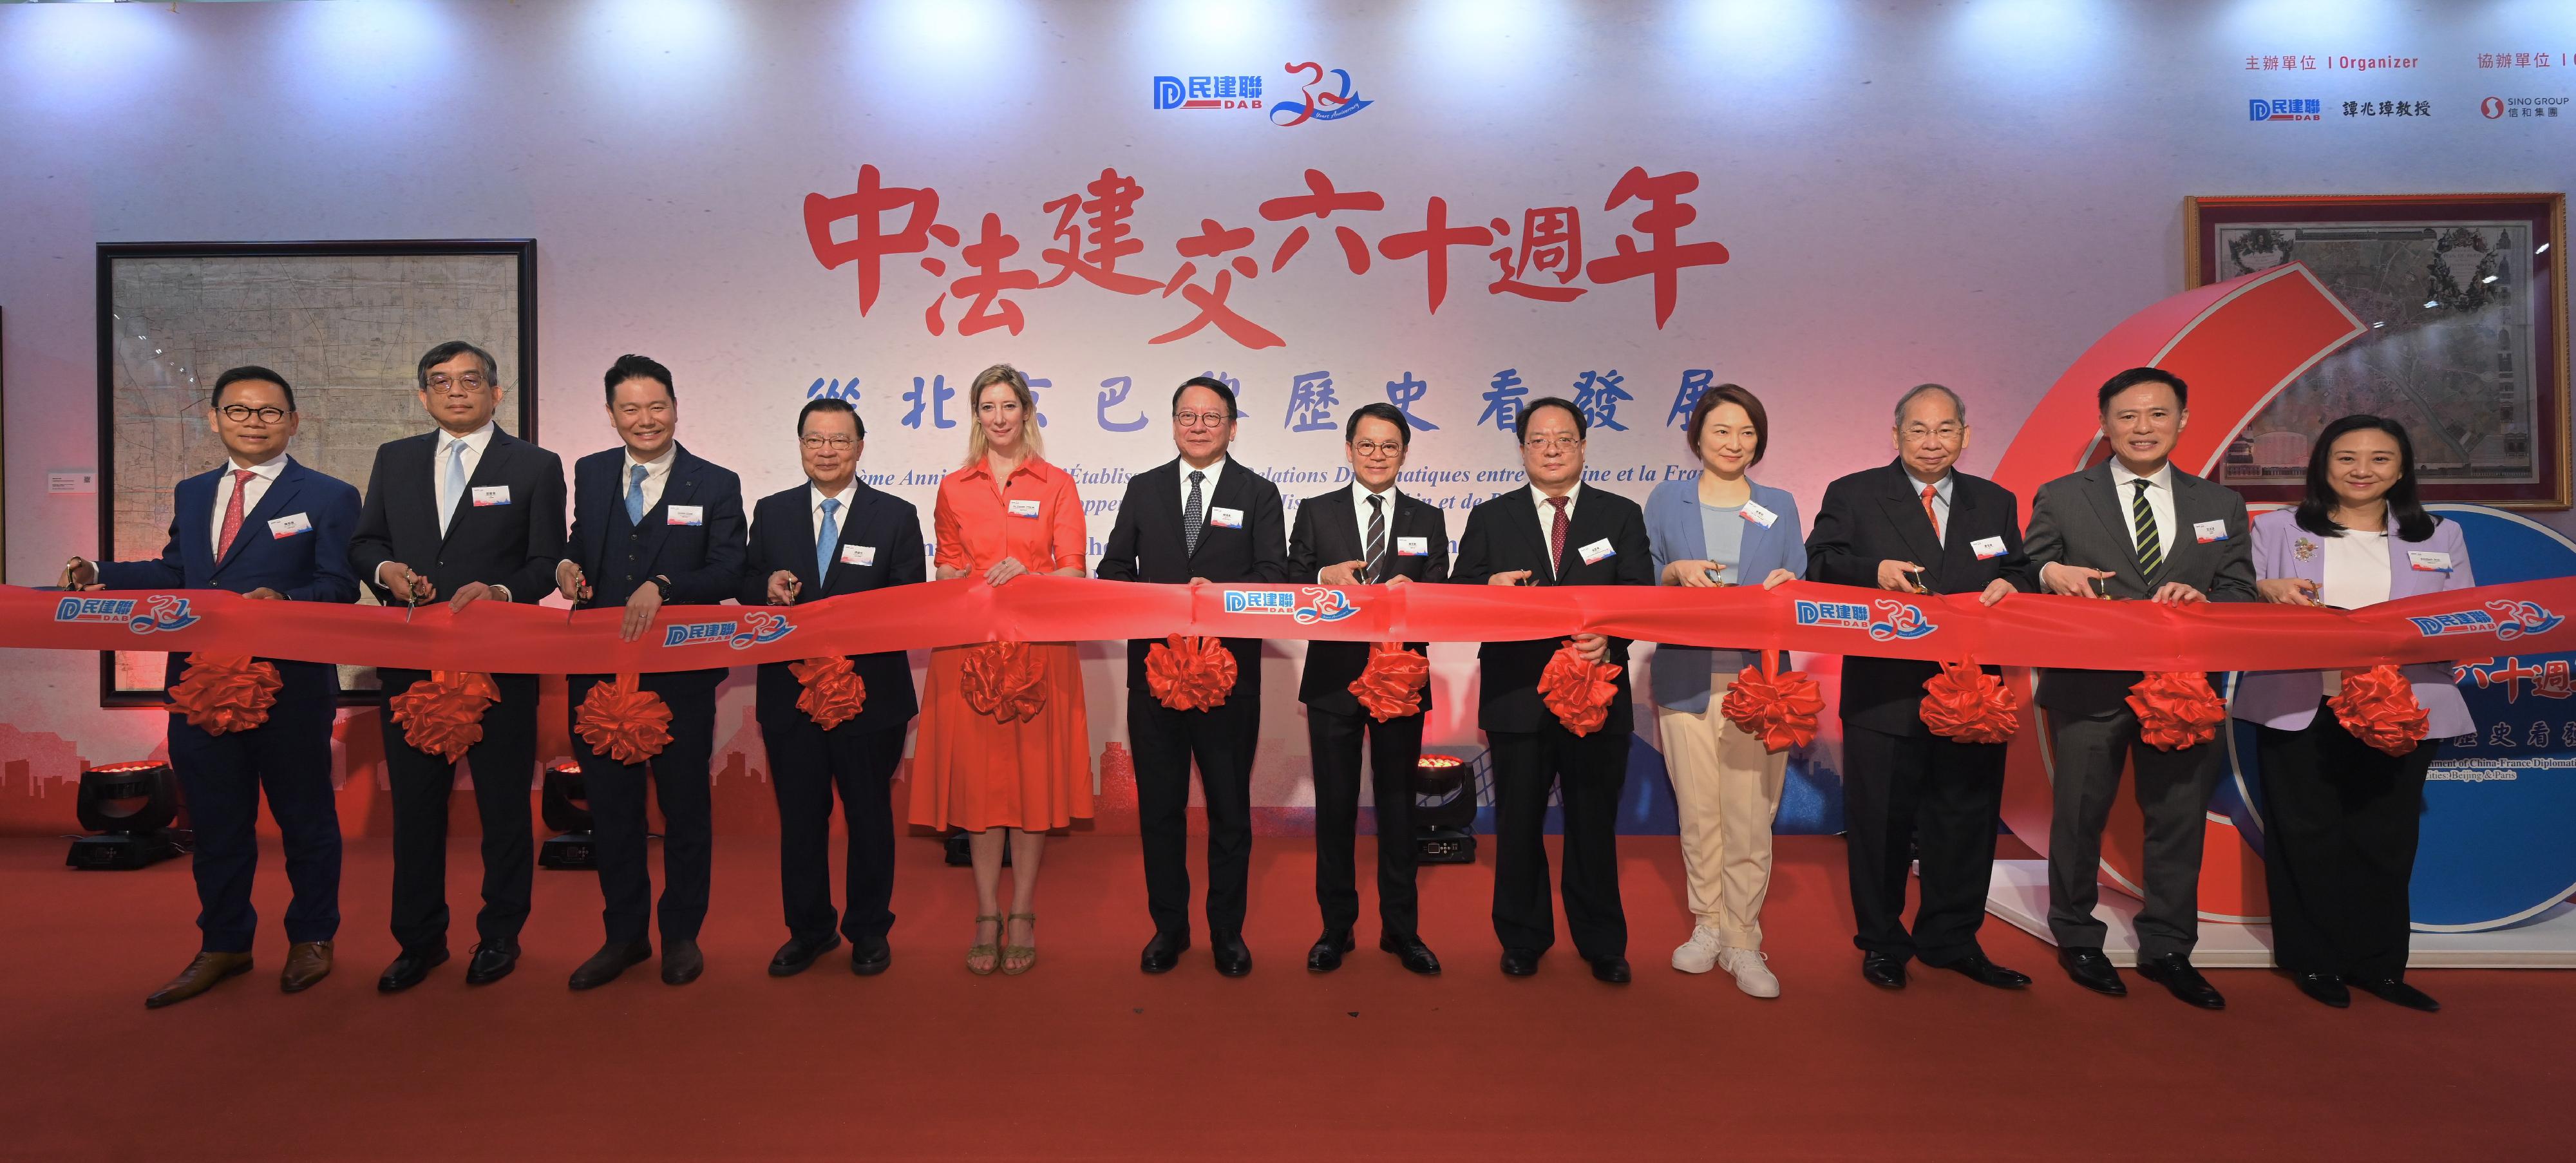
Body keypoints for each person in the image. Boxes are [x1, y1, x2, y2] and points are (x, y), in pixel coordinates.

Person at [62, 367, 360, 1007]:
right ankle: (223, 942)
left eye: (269, 412)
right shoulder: (194, 492)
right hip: (199, 683)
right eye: (239, 410)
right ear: (216, 418)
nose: (254, 422)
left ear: (294, 420)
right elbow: (177, 569)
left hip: (288, 684)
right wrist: (102, 573)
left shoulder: (330, 496)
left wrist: (282, 599)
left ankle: (313, 937)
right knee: (219, 824)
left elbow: (340, 587)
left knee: (304, 819)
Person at [2023, 366, 2255, 1008]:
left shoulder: (2220, 505)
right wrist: (2051, 570)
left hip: (2183, 690)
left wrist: (2203, 599)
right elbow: (2025, 568)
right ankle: (2076, 935)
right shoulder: (2064, 495)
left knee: (2177, 821)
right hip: (2088, 687)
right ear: (2103, 426)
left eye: (2157, 414)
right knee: (2077, 817)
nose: (2142, 427)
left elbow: (2240, 589)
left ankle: (2169, 948)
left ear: (2182, 421)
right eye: (2126, 416)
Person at [2232, 414, 2472, 1013]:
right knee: (2305, 835)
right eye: (2347, 458)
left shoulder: (2441, 535)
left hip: (2402, 709)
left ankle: (2381, 966)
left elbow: (2464, 620)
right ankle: (2314, 961)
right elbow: (2237, 603)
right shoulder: (2278, 529)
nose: (2362, 470)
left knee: (2386, 838)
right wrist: (2266, 592)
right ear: (2323, 465)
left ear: (2403, 467)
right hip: (2301, 704)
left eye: (2380, 458)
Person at [350, 341, 565, 992]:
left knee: (504, 809)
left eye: (471, 381)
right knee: (417, 810)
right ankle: (419, 941)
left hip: (499, 664)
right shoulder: (396, 459)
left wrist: (500, 594)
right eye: (440, 382)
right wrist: (386, 572)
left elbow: (546, 560)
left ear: (496, 393)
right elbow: (365, 543)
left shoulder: (534, 466)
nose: (456, 391)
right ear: (423, 396)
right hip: (414, 665)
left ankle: (499, 935)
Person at [1804, 383, 2034, 993]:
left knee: (1966, 819)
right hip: (1886, 693)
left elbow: (2017, 567)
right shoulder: (1853, 494)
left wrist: (2015, 585)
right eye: (1918, 431)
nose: (1932, 443)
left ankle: (1952, 938)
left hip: (1973, 691)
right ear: (1896, 434)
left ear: (1964, 433)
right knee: (1880, 824)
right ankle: (1881, 942)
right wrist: (1871, 572)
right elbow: (1819, 565)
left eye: (1944, 430)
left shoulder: (1996, 501)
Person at [553, 355, 746, 990]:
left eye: (656, 406)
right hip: (601, 672)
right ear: (611, 415)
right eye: (630, 408)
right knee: (612, 809)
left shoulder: (714, 483)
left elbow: (729, 571)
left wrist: (663, 583)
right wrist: (568, 571)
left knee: (684, 807)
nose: (646, 420)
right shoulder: (593, 471)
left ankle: (682, 935)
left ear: (675, 407)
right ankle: (624, 935)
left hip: (680, 676)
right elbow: (583, 546)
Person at [1450, 396, 1654, 982]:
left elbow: (1640, 596)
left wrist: (1609, 644)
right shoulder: (1492, 516)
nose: (1552, 449)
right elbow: (1459, 596)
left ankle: (1602, 943)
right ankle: (1522, 937)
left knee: (1593, 824)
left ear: (1584, 447)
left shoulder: (1620, 515)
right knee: (1517, 825)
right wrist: (1489, 586)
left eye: (1565, 438)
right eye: (1539, 440)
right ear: (1521, 451)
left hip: (1597, 695)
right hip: (1518, 696)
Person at [1097, 375, 1289, 976]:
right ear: (1174, 423)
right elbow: (1110, 569)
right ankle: (1169, 929)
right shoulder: (1144, 489)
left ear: (1233, 427)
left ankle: (1227, 933)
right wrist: (1157, 598)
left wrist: (1219, 597)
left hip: (1228, 681)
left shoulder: (1258, 494)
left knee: (1230, 811)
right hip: (1155, 678)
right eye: (1187, 415)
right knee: (1161, 809)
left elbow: (1274, 578)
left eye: (1212, 417)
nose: (1199, 426)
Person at [907, 364, 1093, 976]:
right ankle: (986, 912)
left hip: (1040, 655)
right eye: (987, 407)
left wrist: (1031, 578)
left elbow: (1074, 572)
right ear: (977, 415)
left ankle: (1024, 912)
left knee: (1030, 784)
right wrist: (977, 583)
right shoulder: (954, 486)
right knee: (985, 787)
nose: (999, 417)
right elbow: (946, 570)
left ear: (1027, 412)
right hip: (971, 652)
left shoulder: (1059, 484)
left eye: (1008, 405)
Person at [744, 398, 924, 977]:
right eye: (814, 440)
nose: (826, 451)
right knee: (801, 819)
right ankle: (809, 929)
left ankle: (869, 929)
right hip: (790, 697)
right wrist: (764, 583)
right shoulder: (771, 513)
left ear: (861, 447)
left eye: (839, 441)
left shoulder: (895, 515)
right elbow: (746, 580)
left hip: (869, 698)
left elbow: (908, 600)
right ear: (799, 446)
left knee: (870, 816)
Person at [1640, 383, 1803, 996]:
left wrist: (1792, 583)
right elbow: (1641, 574)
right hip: (1685, 675)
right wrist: (1672, 574)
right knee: (1700, 811)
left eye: (1747, 433)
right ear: (1697, 438)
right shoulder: (1667, 499)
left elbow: (1801, 576)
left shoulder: (1779, 503)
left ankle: (1744, 939)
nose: (1735, 444)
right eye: (1722, 431)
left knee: (1750, 814)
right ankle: (1707, 924)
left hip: (1760, 683)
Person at [1285, 401, 1447, 976]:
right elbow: (1288, 582)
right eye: (1367, 445)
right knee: (1335, 807)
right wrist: (1319, 577)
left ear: (1405, 453)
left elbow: (1444, 592)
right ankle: (1336, 929)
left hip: (1400, 680)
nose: (1377, 456)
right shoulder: (1316, 511)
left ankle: (1402, 931)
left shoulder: (1428, 519)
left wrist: (1417, 592)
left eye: (1390, 446)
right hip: (1334, 680)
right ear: (1348, 449)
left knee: (1400, 806)